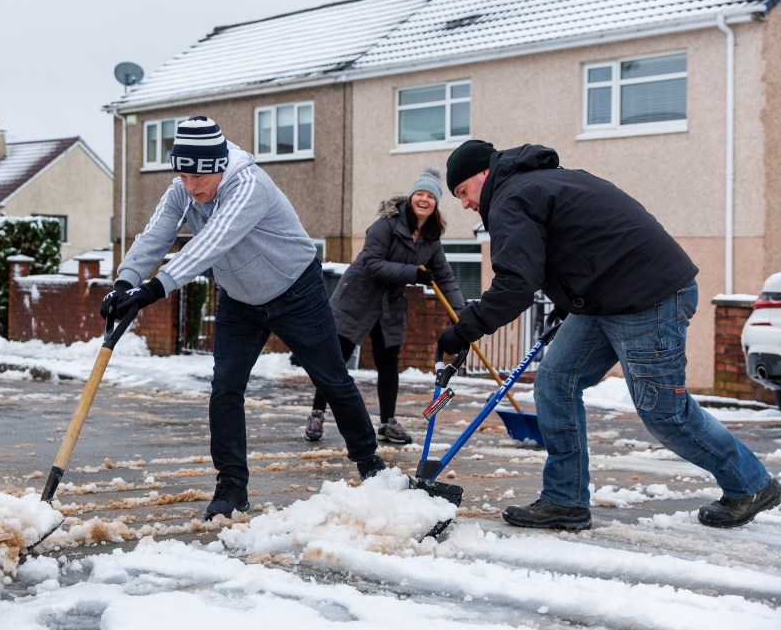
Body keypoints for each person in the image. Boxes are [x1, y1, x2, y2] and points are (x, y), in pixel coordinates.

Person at [437, 139, 780, 530]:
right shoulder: (541, 183)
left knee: (663, 412)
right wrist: (570, 299)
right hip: (610, 297)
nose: (465, 203)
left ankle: (750, 484)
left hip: (647, 297)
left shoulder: (512, 197)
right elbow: (585, 243)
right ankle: (564, 500)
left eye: (463, 192)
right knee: (555, 381)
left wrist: (465, 329)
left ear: (484, 173)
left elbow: (516, 282)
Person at [100, 116, 386, 520]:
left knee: (332, 379)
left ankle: (371, 465)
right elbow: (157, 232)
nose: (193, 185)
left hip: (296, 290)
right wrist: (124, 281)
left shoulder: (249, 184)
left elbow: (212, 242)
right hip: (239, 301)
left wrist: (154, 289)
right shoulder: (184, 188)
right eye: (184, 175)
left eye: (202, 176)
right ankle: (232, 484)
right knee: (225, 389)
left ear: (220, 163)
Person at [304, 167, 465, 445]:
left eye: (431, 196)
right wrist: (412, 274)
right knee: (336, 360)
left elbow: (446, 278)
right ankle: (317, 413)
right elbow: (372, 264)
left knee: (389, 363)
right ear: (412, 197)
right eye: (420, 194)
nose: (424, 199)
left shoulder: (431, 239)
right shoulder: (386, 225)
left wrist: (461, 314)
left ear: (436, 204)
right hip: (357, 299)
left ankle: (388, 422)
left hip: (389, 305)